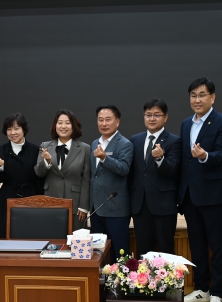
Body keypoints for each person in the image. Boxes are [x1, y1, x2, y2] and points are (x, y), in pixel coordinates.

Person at [179, 77, 222, 302]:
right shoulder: (185, 124)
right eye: (193, 95)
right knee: (197, 244)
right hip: (191, 195)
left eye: (202, 95)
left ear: (212, 97)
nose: (197, 99)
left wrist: (204, 156)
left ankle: (218, 292)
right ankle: (201, 287)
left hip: (214, 195)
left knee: (218, 245)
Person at [129, 99, 182, 256]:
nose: (152, 119)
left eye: (157, 115)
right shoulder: (135, 140)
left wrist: (160, 158)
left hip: (163, 205)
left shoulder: (174, 141)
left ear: (165, 117)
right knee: (143, 251)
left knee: (166, 251)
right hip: (140, 205)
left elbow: (172, 170)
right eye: (148, 115)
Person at [34, 109, 91, 231]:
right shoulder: (45, 146)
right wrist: (47, 161)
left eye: (67, 123)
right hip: (50, 202)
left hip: (75, 205)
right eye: (60, 123)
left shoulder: (84, 148)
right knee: (52, 238)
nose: (63, 126)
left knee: (75, 239)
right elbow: (39, 172)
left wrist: (84, 206)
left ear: (73, 126)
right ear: (55, 126)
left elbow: (86, 179)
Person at [89, 105, 133, 263]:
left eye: (108, 119)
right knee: (99, 253)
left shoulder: (125, 144)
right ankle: (102, 279)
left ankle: (121, 279)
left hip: (116, 208)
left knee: (119, 251)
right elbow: (94, 175)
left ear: (117, 121)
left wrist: (104, 158)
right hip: (97, 208)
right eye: (100, 120)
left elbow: (124, 168)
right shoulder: (94, 143)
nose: (104, 123)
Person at [0, 113, 44, 238]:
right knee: (6, 232)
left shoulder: (35, 150)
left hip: (31, 196)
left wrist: (41, 200)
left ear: (24, 129)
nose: (13, 133)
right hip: (8, 196)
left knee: (30, 233)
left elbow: (39, 178)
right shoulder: (0, 150)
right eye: (9, 129)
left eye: (16, 128)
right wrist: (0, 167)